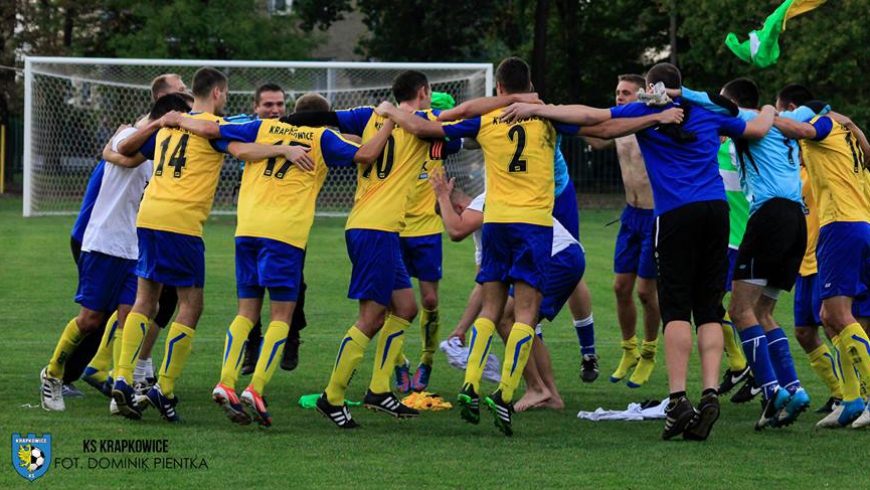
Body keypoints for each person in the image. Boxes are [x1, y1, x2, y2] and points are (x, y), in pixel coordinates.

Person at [380, 57, 685, 436]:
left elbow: (427, 126)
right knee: (524, 314)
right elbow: (605, 125)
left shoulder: (486, 119)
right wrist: (653, 117)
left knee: (491, 310)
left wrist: (391, 110)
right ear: (530, 86)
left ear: (500, 89)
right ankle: (506, 394)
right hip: (534, 225)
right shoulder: (548, 116)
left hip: (496, 223)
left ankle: (471, 384)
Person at [505, 62, 774, 440]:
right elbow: (759, 128)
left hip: (675, 213)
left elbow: (592, 117)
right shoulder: (708, 111)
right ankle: (710, 391)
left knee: (676, 307)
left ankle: (678, 399)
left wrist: (538, 108)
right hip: (716, 212)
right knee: (709, 307)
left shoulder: (648, 110)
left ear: (651, 87)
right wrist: (770, 109)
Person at [169, 92, 392, 427]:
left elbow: (212, 131)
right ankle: (255, 389)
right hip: (284, 233)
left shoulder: (262, 128)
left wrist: (176, 119)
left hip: (246, 229)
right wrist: (390, 120)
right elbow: (368, 153)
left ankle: (226, 382)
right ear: (325, 119)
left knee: (246, 311)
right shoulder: (322, 137)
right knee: (281, 316)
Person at [109, 67, 304, 422]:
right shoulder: (212, 127)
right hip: (181, 223)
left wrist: (145, 130)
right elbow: (243, 152)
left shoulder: (169, 125)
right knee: (191, 305)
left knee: (144, 299)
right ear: (216, 93)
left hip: (148, 215)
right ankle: (164, 388)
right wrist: (284, 150)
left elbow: (124, 150)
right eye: (225, 95)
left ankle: (122, 377)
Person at [39, 94, 192, 412]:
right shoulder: (130, 135)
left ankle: (118, 392)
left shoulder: (161, 148)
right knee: (90, 320)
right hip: (104, 243)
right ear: (166, 117)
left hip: (136, 248)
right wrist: (152, 129)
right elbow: (123, 152)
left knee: (129, 318)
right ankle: (52, 374)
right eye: (183, 120)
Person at [680, 78, 811, 430]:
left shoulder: (750, 118)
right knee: (764, 311)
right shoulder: (783, 126)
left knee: (739, 310)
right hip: (797, 220)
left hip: (769, 216)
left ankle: (771, 390)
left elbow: (704, 99)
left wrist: (675, 92)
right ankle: (794, 389)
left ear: (732, 103)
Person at [773, 84, 870, 429]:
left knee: (837, 315)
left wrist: (768, 117)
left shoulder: (824, 124)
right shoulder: (847, 133)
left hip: (840, 226)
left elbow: (800, 129)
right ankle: (851, 399)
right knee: (832, 317)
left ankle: (866, 397)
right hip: (858, 224)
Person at [225, 83, 311, 376]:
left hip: (289, 214)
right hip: (253, 209)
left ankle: (291, 335)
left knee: (295, 282)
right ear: (255, 107)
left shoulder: (297, 129)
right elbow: (236, 147)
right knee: (251, 288)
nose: (274, 110)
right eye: (268, 105)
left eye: (279, 105)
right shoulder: (249, 127)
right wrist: (283, 150)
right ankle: (252, 343)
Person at [585, 74, 660, 387]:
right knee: (620, 288)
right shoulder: (618, 126)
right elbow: (597, 137)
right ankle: (628, 349)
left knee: (646, 292)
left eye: (626, 93)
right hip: (630, 216)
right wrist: (556, 123)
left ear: (641, 95)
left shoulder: (654, 125)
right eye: (617, 92)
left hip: (655, 217)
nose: (619, 97)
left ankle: (648, 353)